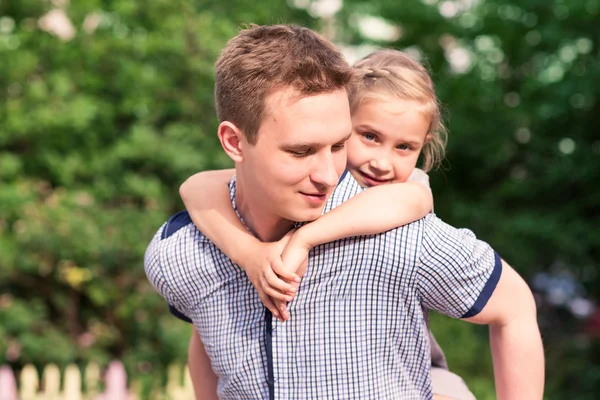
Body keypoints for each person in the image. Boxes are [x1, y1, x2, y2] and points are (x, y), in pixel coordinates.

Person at [144, 24, 544, 399]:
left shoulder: (399, 227)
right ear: (234, 142)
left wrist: (304, 237)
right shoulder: (183, 252)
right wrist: (248, 253)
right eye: (301, 151)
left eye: (337, 146)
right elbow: (205, 328)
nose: (327, 175)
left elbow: (513, 306)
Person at [178, 49, 473, 399]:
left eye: (404, 147)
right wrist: (249, 253)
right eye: (369, 137)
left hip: (418, 372)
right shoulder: (318, 170)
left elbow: (416, 201)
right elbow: (195, 186)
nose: (382, 163)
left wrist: (304, 239)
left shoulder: (406, 190)